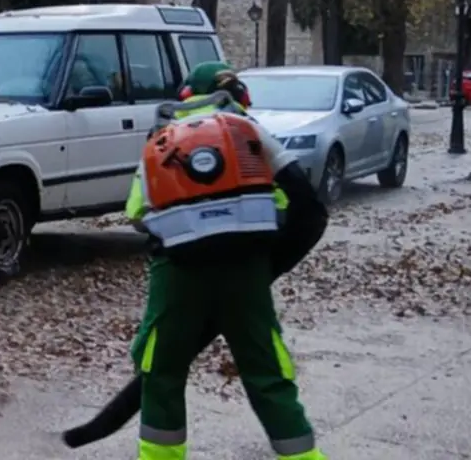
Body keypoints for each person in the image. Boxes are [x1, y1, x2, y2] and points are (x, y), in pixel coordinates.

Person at [114, 61, 328, 460]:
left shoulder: (162, 134)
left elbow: (138, 213)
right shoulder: (246, 129)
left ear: (185, 95)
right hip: (245, 269)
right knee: (266, 368)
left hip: (177, 272)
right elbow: (293, 199)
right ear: (239, 93)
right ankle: (303, 456)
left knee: (162, 370)